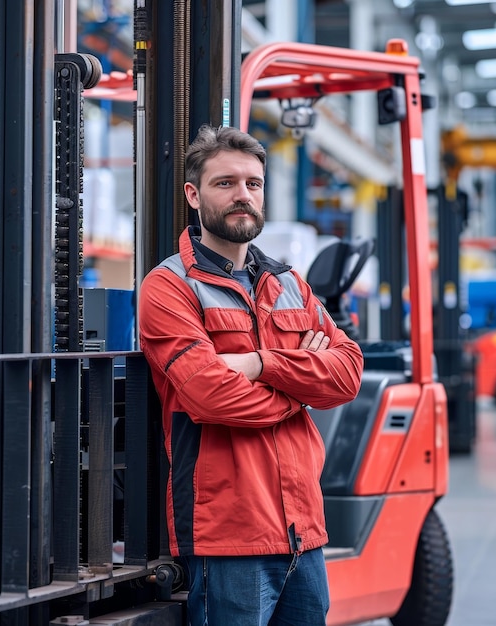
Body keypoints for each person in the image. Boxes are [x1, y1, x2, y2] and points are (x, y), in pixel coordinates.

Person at [139, 124, 364, 625]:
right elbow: (212, 398)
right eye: (226, 184)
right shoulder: (169, 287)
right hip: (228, 536)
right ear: (193, 196)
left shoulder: (287, 283)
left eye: (253, 184)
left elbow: (348, 373)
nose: (243, 195)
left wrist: (263, 365)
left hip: (303, 531)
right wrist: (303, 389)